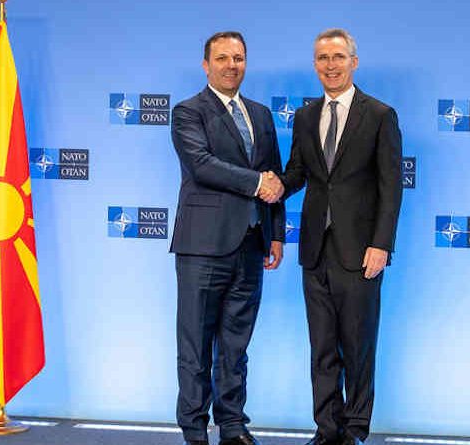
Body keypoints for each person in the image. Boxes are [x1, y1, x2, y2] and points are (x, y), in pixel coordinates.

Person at [280, 28, 403, 445]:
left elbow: (391, 186)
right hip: (315, 251)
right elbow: (298, 173)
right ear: (314, 65)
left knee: (358, 347)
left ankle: (354, 430)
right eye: (321, 58)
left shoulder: (380, 115)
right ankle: (327, 428)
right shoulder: (305, 116)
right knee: (322, 348)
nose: (329, 66)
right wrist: (271, 185)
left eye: (337, 57)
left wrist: (381, 244)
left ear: (353, 61)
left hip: (361, 252)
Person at [170, 31, 286, 445]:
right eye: (222, 58)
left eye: (238, 58)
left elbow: (274, 175)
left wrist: (276, 234)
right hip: (202, 246)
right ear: (206, 65)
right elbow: (203, 166)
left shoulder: (260, 113)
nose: (231, 65)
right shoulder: (188, 112)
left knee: (236, 345)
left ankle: (233, 426)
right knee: (195, 345)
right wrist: (258, 184)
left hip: (252, 245)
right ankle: (195, 429)